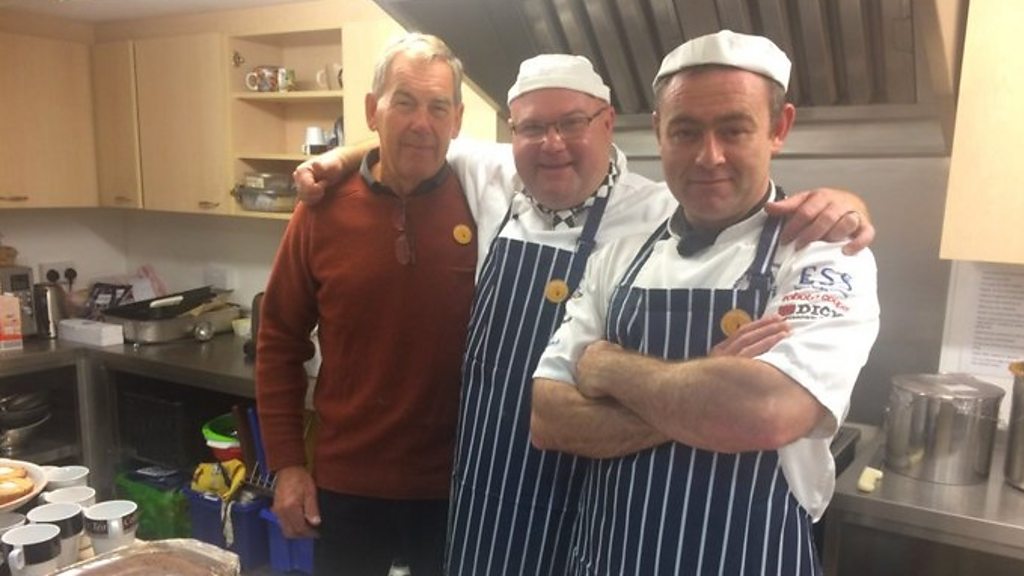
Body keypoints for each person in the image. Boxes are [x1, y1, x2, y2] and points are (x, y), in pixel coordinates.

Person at [293, 55, 875, 576]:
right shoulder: (500, 180)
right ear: (512, 134)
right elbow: (405, 139)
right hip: (482, 498)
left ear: (609, 123)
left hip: (590, 507)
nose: (552, 143)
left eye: (573, 123)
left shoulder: (660, 210)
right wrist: (331, 161)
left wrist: (604, 365)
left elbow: (766, 411)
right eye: (532, 128)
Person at [530, 30, 881, 575]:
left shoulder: (823, 254)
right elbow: (549, 418)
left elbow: (767, 412)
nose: (708, 156)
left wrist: (606, 366)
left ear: (779, 128)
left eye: (734, 130)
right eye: (686, 131)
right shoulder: (616, 258)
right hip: (607, 558)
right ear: (658, 131)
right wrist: (707, 397)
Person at [255, 33, 476, 576]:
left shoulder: (485, 200)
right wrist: (287, 465)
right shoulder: (320, 209)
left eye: (438, 107)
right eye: (404, 102)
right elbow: (279, 339)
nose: (421, 123)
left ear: (457, 119)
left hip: (458, 486)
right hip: (347, 485)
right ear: (373, 110)